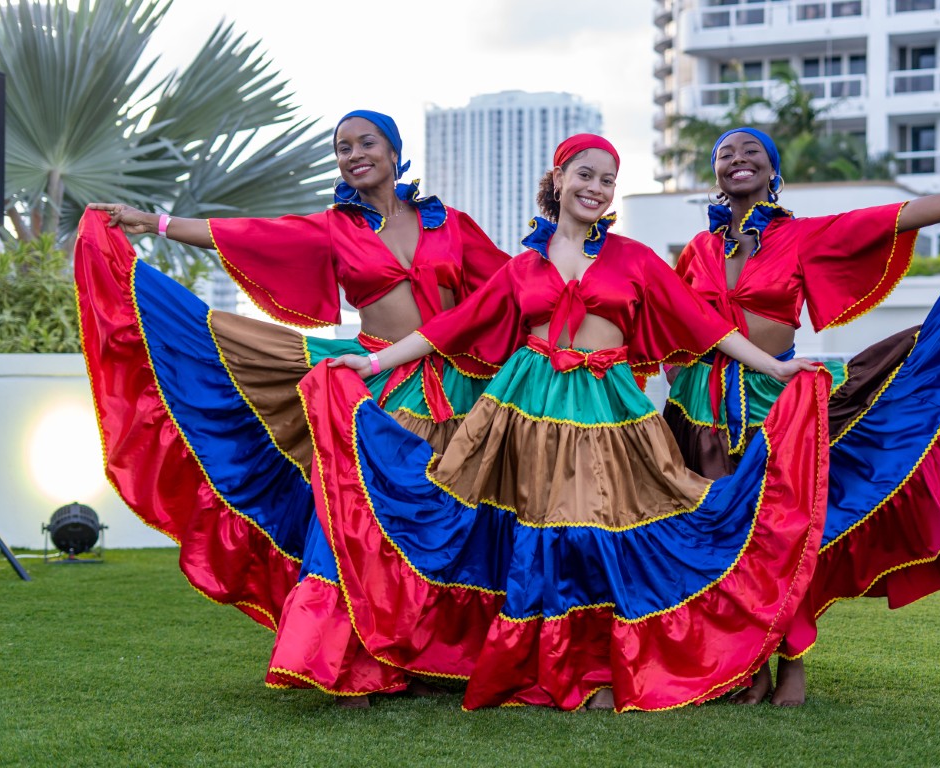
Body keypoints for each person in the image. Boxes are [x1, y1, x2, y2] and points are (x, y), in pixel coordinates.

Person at [298, 133, 830, 712]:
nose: (596, 188)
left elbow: (706, 325)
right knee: (532, 534)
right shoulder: (524, 265)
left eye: (607, 180)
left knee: (612, 531)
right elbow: (450, 327)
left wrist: (775, 367)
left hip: (610, 410)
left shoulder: (635, 258)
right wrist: (373, 363)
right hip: (529, 409)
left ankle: (604, 665)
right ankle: (542, 664)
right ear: (558, 180)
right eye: (585, 175)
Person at [75, 110, 509, 705]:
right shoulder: (336, 227)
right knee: (364, 511)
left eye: (366, 142)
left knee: (459, 514)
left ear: (394, 151)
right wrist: (153, 223)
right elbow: (247, 235)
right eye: (342, 147)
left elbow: (512, 287)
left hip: (461, 385)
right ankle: (355, 661)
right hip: (378, 380)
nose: (354, 154)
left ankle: (450, 650)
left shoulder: (451, 224)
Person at [663, 126, 940, 706]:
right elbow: (672, 317)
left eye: (751, 152)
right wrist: (678, 375)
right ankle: (743, 666)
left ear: (772, 170)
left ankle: (791, 660)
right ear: (715, 172)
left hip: (778, 402)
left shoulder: (801, 236)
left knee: (785, 531)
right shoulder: (697, 249)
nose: (737, 160)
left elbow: (896, 217)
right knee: (716, 537)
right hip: (698, 410)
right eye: (725, 154)